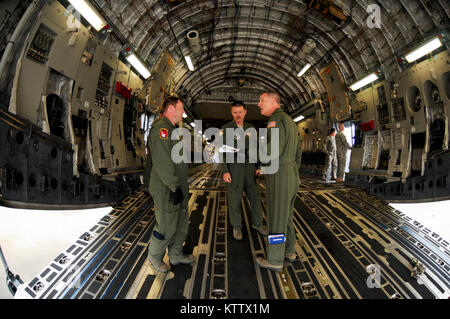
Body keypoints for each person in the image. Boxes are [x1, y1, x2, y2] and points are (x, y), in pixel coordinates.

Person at [146, 96, 195, 273]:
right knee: (166, 224)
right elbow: (162, 162)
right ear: (171, 109)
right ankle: (154, 256)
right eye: (181, 109)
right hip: (167, 187)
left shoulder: (171, 130)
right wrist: (175, 186)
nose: (183, 114)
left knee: (181, 223)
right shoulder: (161, 130)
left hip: (177, 187)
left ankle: (175, 254)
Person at [255, 92, 302, 272]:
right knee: (287, 215)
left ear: (274, 102)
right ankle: (290, 251)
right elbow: (298, 153)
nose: (259, 105)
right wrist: (292, 171)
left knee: (276, 218)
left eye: (262, 101)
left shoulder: (275, 120)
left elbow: (273, 150)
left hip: (280, 174)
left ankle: (274, 260)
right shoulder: (290, 121)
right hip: (290, 173)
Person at [221, 101, 267, 240]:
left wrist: (259, 166)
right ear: (231, 113)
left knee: (254, 197)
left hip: (250, 167)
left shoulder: (251, 129)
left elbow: (256, 148)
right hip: (234, 168)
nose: (238, 115)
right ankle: (237, 226)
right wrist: (225, 171)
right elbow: (222, 151)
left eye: (240, 112)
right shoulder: (226, 128)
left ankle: (258, 224)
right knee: (234, 199)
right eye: (235, 112)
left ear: (245, 112)